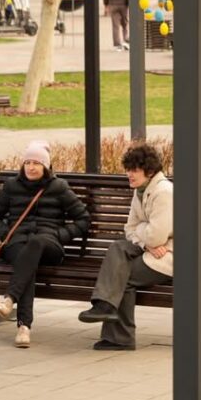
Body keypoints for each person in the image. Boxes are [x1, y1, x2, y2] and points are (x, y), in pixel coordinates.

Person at [0, 140, 91, 348]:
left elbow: (83, 219)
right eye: (28, 162)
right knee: (26, 262)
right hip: (17, 244)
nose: (31, 167)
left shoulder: (58, 187)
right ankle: (24, 328)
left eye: (36, 163)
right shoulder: (12, 186)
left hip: (49, 245)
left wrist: (59, 235)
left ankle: (9, 299)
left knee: (35, 243)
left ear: (46, 166)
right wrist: (7, 234)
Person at [78, 143, 173, 350]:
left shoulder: (163, 192)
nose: (129, 174)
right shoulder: (141, 190)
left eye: (134, 170)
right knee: (117, 247)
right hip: (153, 250)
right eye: (128, 169)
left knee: (123, 276)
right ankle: (105, 308)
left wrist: (145, 235)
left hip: (170, 256)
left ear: (149, 171)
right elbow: (129, 228)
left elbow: (156, 237)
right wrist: (146, 243)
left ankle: (119, 335)